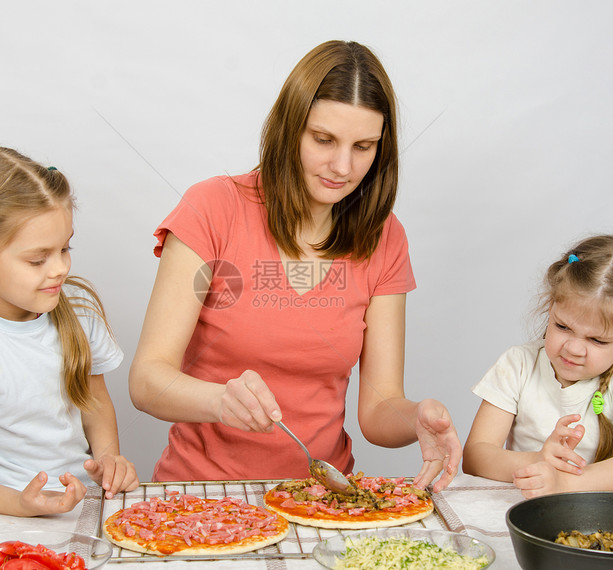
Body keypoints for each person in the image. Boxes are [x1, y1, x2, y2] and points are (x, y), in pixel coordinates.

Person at [129, 40, 461, 491]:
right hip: (202, 495)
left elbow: (378, 410)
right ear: (290, 129)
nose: (342, 166)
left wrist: (416, 417)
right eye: (323, 140)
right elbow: (148, 379)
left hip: (323, 497)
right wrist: (218, 401)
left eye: (363, 146)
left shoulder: (385, 237)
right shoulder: (213, 207)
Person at [0, 147, 139, 516]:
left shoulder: (77, 310)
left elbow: (93, 399)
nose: (61, 268)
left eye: (65, 248)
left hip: (85, 509)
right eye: (38, 258)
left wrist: (109, 458)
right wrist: (20, 504)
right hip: (5, 518)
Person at [462, 235, 613, 498]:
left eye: (597, 339)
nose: (573, 348)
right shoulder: (518, 364)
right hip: (521, 508)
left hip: (599, 515)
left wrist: (564, 483)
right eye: (563, 326)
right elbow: (475, 457)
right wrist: (538, 461)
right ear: (551, 306)